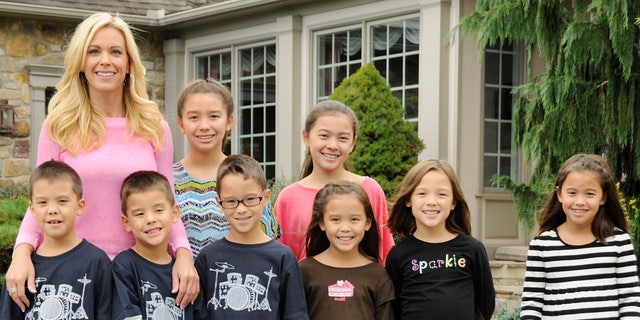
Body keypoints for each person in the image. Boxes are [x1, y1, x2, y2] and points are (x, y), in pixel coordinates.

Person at [4, 12, 198, 311]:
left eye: (115, 52)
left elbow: (168, 200)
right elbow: (41, 200)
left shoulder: (153, 126)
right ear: (81, 63)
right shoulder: (59, 126)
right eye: (94, 51)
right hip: (74, 272)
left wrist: (183, 254)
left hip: (137, 273)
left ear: (129, 64)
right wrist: (21, 253)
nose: (105, 60)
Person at [520, 154, 640, 319]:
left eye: (590, 194)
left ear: (603, 197)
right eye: (572, 193)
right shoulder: (542, 245)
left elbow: (630, 300)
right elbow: (531, 305)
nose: (580, 201)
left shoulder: (619, 242)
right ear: (560, 194)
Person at [274, 100, 394, 262]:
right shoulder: (288, 198)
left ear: (353, 143)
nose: (332, 145)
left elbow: (384, 253)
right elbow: (278, 260)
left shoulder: (369, 189)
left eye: (343, 138)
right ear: (306, 137)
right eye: (324, 136)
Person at [173, 78, 280, 258]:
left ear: (229, 121)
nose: (204, 126)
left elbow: (268, 242)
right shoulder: (169, 179)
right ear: (181, 124)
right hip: (182, 284)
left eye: (214, 116)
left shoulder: (246, 176)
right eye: (194, 117)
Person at [194, 154, 309, 319]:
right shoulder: (207, 258)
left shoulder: (283, 257)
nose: (241, 209)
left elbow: (295, 314)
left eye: (250, 199)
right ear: (219, 203)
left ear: (265, 198)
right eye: (231, 201)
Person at [0, 160, 112, 318]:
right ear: (32, 209)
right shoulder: (21, 269)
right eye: (43, 202)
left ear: (80, 206)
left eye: (62, 201)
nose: (52, 210)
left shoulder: (97, 261)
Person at [385, 159, 495, 320]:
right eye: (422, 193)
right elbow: (394, 308)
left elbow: (486, 303)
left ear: (453, 202)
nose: (431, 202)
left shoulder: (472, 249)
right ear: (408, 200)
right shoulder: (398, 255)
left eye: (442, 194)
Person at [113, 171, 203, 320]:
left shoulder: (185, 272)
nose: (150, 219)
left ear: (174, 213)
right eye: (139, 214)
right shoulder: (124, 266)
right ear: (126, 222)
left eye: (158, 210)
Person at [299, 180, 395, 320]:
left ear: (367, 223)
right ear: (322, 223)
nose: (345, 228)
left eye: (354, 219)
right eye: (336, 220)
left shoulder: (378, 275)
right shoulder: (304, 271)